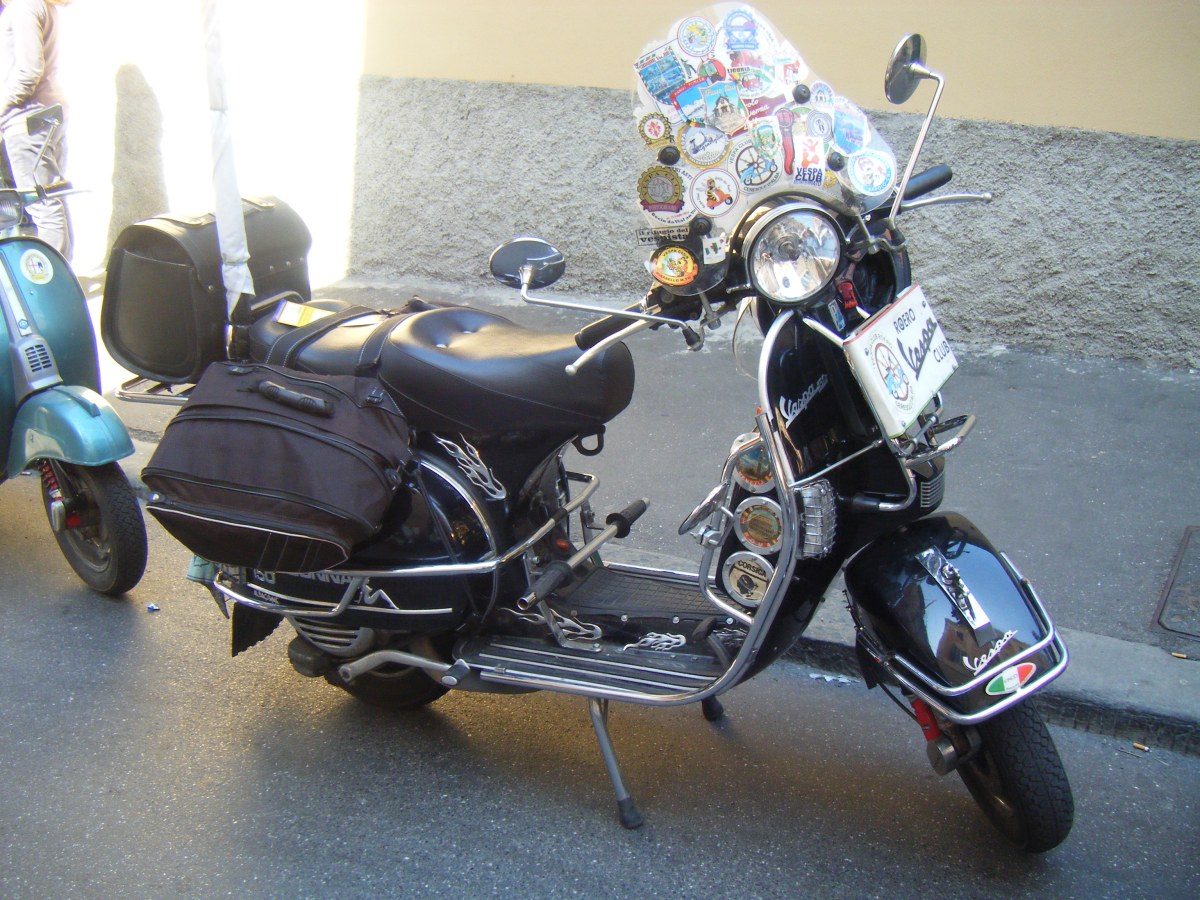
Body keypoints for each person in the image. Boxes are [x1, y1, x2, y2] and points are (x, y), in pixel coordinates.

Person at [0, 0, 70, 257]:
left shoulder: (22, 7)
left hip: (26, 118)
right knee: (51, 198)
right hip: (46, 113)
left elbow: (28, 71)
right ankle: (64, 272)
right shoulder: (40, 5)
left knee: (41, 203)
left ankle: (53, 277)